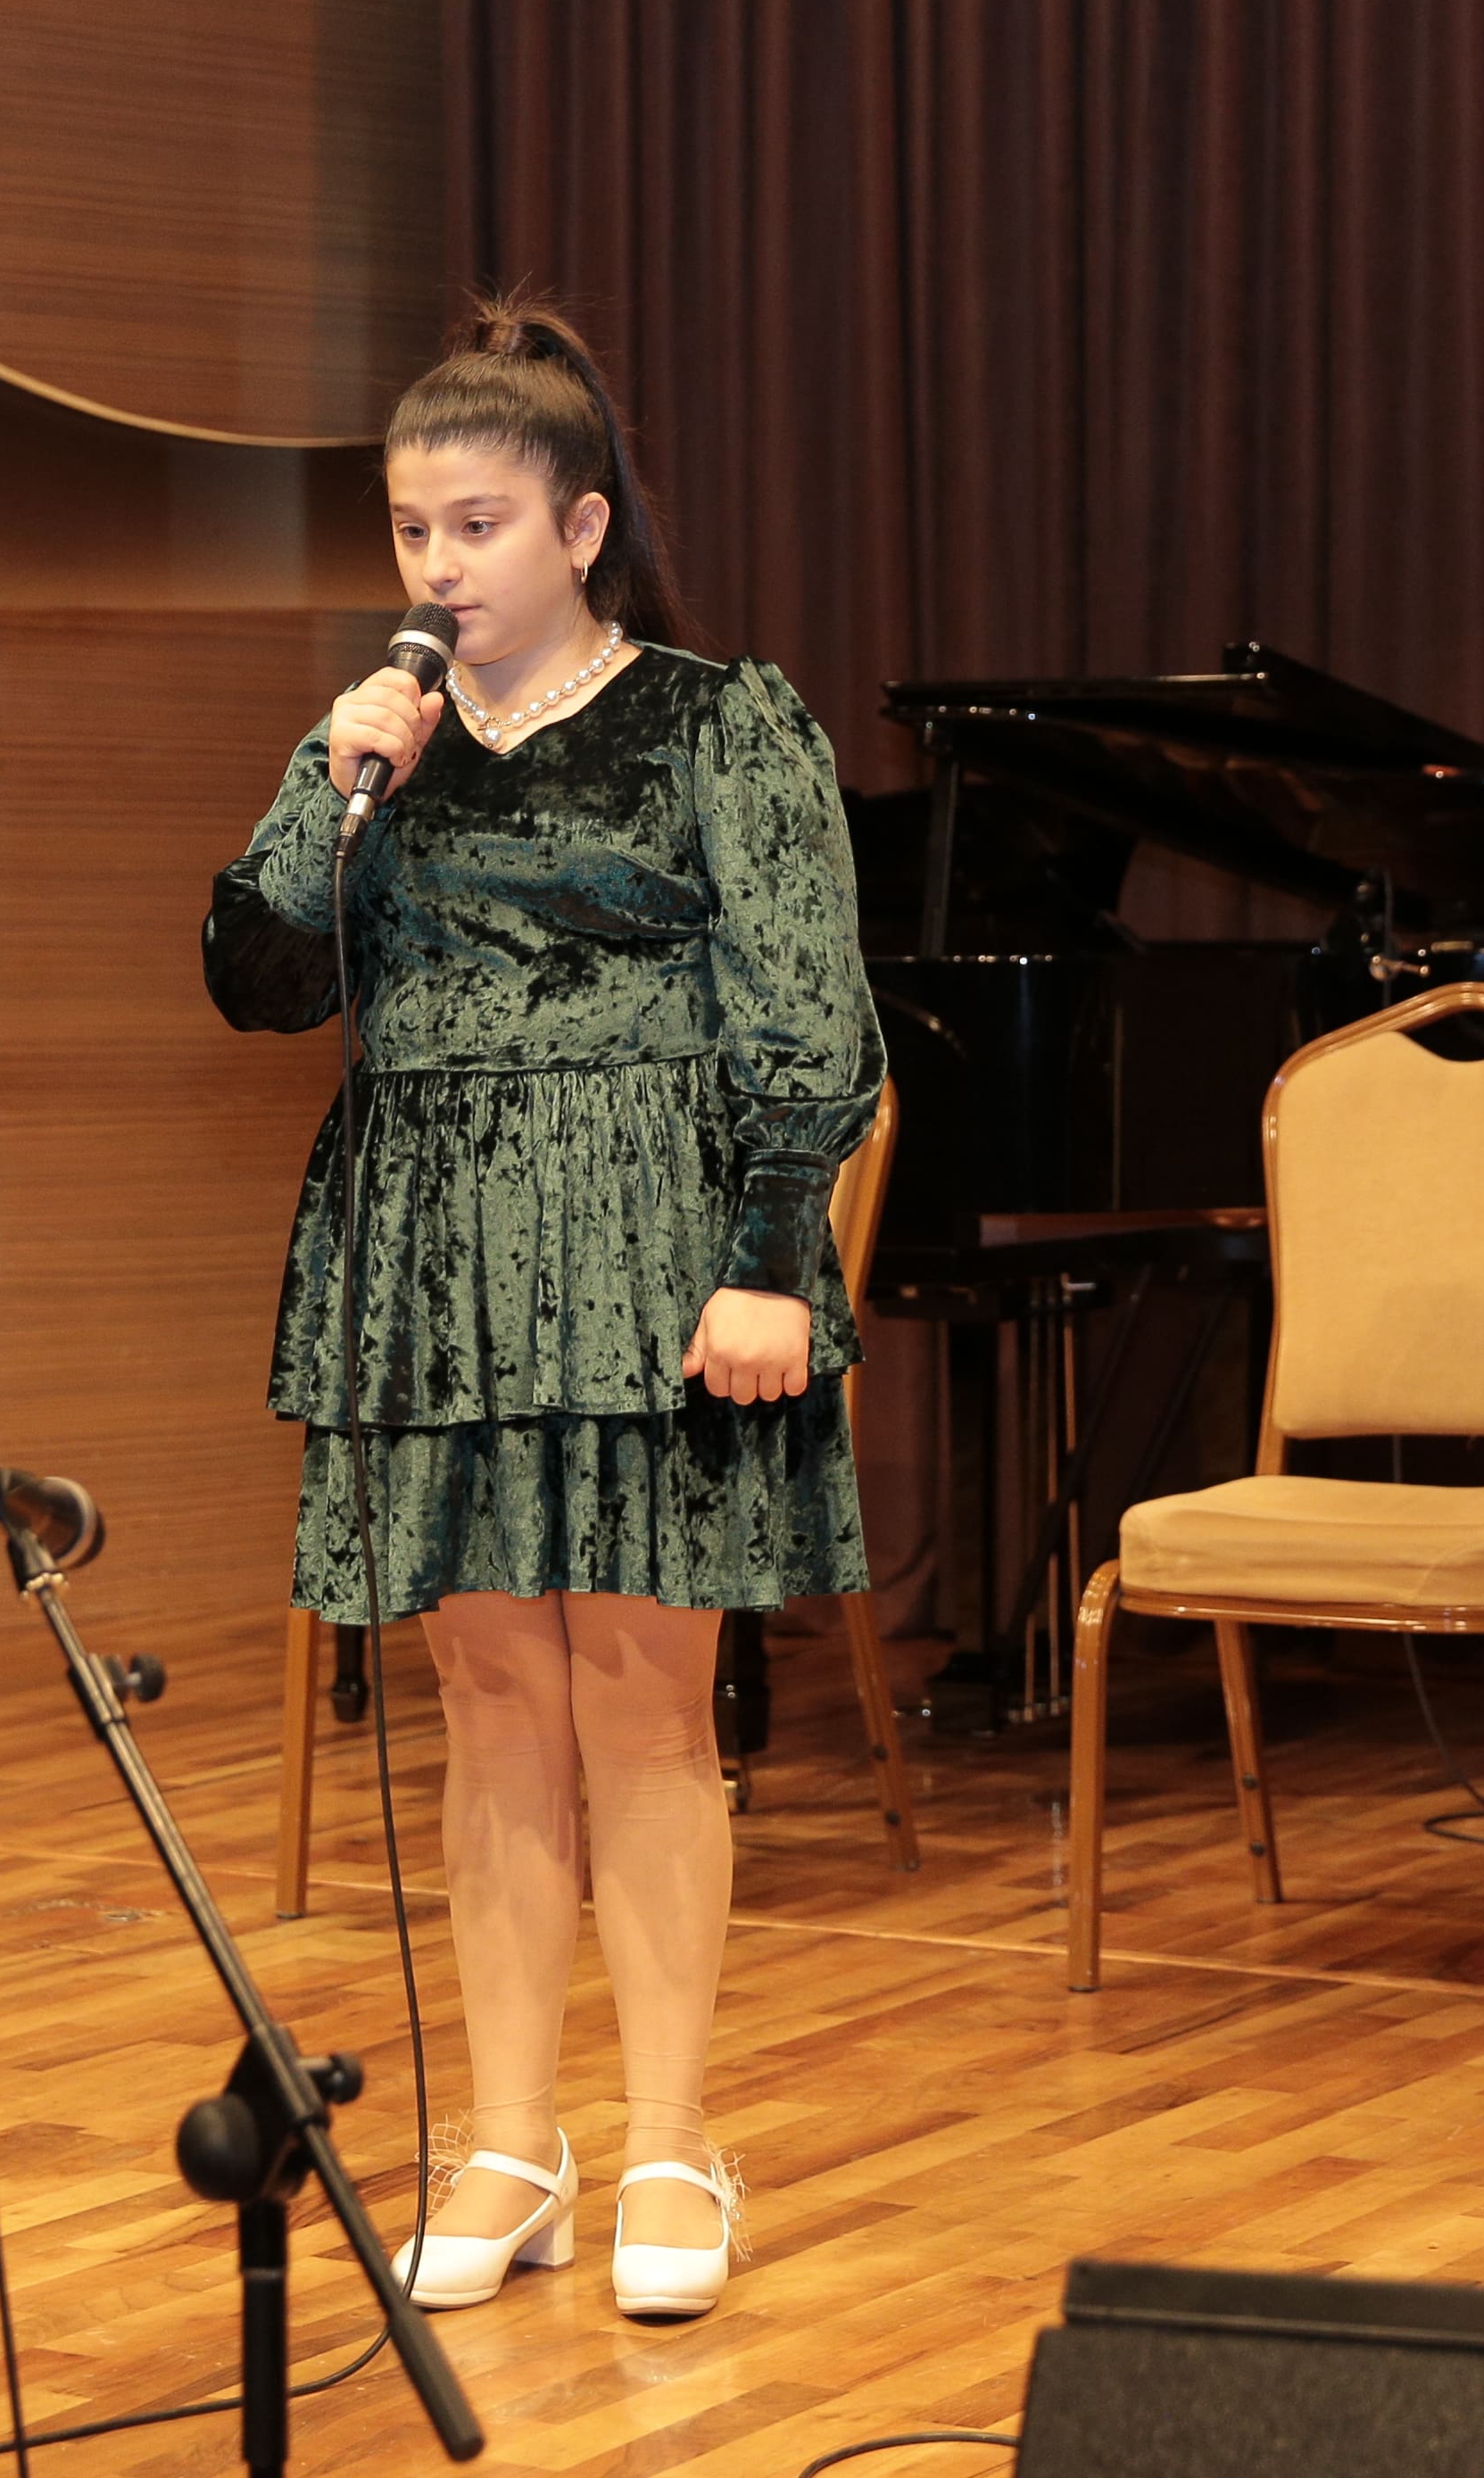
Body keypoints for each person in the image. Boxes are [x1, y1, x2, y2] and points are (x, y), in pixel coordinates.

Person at [203, 301, 884, 2327]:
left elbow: (811, 1012)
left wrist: (771, 1257)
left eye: (477, 526)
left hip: (657, 1249)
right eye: (412, 529)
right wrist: (335, 788)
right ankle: (511, 2144)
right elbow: (259, 984)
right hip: (433, 1258)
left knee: (645, 1709)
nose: (438, 567)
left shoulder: (717, 723)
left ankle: (672, 2137)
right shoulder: (373, 748)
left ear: (581, 527)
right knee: (493, 1709)